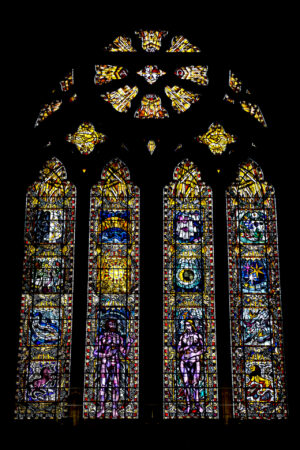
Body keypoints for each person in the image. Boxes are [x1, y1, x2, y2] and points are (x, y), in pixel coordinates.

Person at [94, 318, 134, 418]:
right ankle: (102, 408)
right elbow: (95, 353)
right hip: (105, 362)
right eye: (111, 323)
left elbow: (124, 353)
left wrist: (129, 343)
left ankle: (114, 409)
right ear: (107, 325)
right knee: (103, 386)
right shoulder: (101, 337)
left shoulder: (119, 338)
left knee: (116, 386)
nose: (113, 325)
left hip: (116, 363)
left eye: (114, 323)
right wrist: (106, 355)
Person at [177, 319, 204, 414]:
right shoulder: (182, 337)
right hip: (184, 361)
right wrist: (186, 348)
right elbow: (178, 349)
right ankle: (188, 406)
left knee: (195, 384)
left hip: (195, 360)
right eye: (185, 325)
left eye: (188, 325)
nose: (186, 327)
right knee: (186, 384)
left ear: (192, 326)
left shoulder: (198, 336)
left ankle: (197, 404)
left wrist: (196, 353)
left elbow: (204, 348)